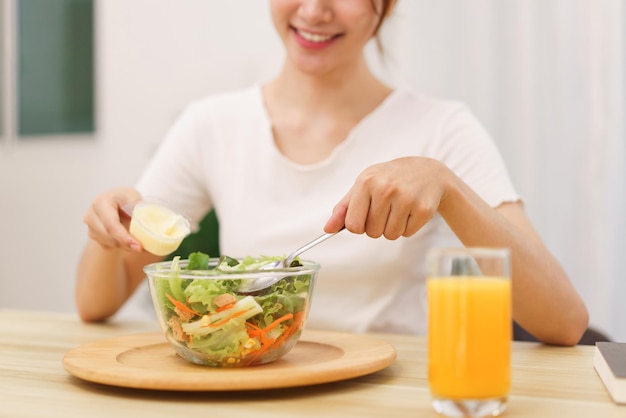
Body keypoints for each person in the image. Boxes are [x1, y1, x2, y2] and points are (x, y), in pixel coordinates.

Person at [76, 0, 589, 346]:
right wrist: (112, 229)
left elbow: (563, 322)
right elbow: (95, 304)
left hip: (389, 391)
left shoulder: (442, 128)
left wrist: (449, 187)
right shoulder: (212, 124)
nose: (315, 10)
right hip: (259, 383)